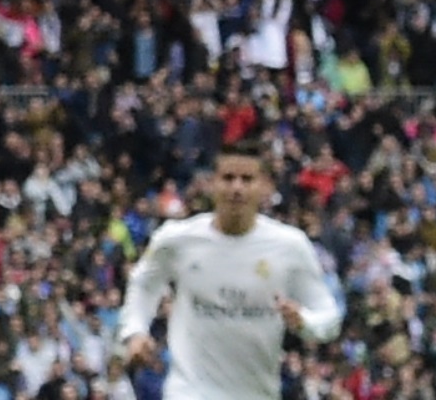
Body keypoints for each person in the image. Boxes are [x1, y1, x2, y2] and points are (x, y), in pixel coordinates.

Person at [117, 147, 342, 400]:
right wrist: (135, 332)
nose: (237, 188)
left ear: (265, 187)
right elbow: (144, 283)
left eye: (247, 179)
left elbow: (329, 316)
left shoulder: (290, 246)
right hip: (190, 391)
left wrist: (304, 322)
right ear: (212, 184)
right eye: (228, 178)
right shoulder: (177, 239)